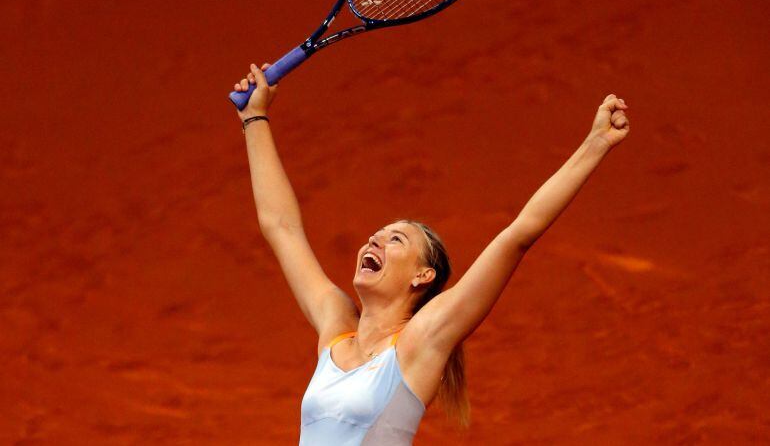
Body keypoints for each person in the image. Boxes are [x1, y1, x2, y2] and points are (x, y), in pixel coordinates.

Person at [233, 63, 630, 444]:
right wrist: (255, 118)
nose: (375, 240)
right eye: (377, 234)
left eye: (396, 240)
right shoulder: (335, 328)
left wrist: (594, 144)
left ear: (422, 276)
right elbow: (281, 227)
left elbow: (517, 236)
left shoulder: (420, 342)